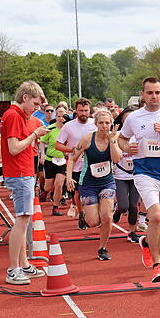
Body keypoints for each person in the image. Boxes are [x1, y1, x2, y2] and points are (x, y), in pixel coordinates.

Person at [118, 77, 160, 283]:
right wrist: (125, 147)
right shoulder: (134, 118)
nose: (154, 96)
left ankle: (147, 242)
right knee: (155, 217)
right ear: (142, 94)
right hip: (143, 171)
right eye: (149, 93)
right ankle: (158, 265)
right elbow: (121, 138)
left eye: (157, 92)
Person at [0, 81, 49, 285]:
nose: (36, 109)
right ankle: (13, 269)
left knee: (24, 221)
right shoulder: (13, 116)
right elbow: (13, 148)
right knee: (21, 221)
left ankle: (24, 264)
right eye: (35, 104)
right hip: (19, 173)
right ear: (25, 97)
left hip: (24, 172)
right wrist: (34, 135)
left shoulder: (19, 116)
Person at [65, 110, 122, 260]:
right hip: (88, 184)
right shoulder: (87, 139)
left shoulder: (114, 137)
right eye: (101, 123)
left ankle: (102, 248)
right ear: (96, 124)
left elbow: (116, 159)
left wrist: (113, 141)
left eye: (107, 123)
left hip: (107, 182)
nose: (104, 126)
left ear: (111, 124)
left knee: (107, 217)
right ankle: (85, 213)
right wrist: (69, 177)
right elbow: (72, 158)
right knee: (93, 222)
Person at [56, 98, 96, 229]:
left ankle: (95, 214)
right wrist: (72, 150)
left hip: (93, 164)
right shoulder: (69, 126)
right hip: (76, 165)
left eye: (86, 110)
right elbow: (58, 145)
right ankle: (81, 214)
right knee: (78, 193)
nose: (84, 113)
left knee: (94, 191)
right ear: (76, 111)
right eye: (81, 111)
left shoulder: (95, 124)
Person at [112, 107, 141, 243]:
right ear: (123, 119)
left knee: (134, 206)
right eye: (126, 118)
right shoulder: (117, 135)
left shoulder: (141, 134)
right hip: (121, 174)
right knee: (124, 205)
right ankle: (117, 211)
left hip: (136, 174)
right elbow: (113, 155)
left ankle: (131, 231)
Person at [40, 105, 69, 216]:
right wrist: (42, 155)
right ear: (55, 116)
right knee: (48, 186)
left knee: (59, 184)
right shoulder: (50, 128)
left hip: (62, 161)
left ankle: (55, 207)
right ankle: (45, 191)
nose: (61, 119)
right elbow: (42, 142)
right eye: (59, 116)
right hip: (50, 160)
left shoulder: (68, 129)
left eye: (63, 116)